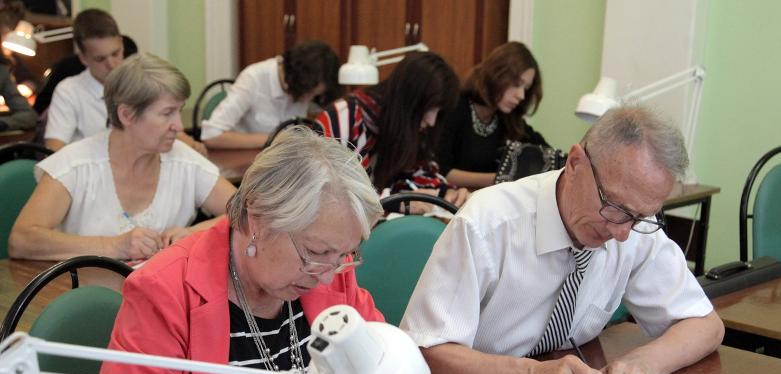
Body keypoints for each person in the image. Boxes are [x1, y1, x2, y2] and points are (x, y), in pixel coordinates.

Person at [39, 126, 385, 374]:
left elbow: (379, 362)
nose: (327, 275)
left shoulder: (330, 272)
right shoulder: (167, 291)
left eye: (344, 255)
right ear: (257, 219)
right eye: (315, 252)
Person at [401, 106, 724, 374]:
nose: (623, 232)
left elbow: (706, 325)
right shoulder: (489, 223)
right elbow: (429, 350)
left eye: (640, 217)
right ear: (575, 163)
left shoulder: (634, 225)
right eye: (614, 207)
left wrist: (644, 362)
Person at [9, 53, 236, 261]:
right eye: (167, 113)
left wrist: (193, 233)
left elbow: (244, 214)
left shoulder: (183, 160)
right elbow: (21, 240)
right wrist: (113, 246)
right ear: (126, 115)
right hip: (87, 289)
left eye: (179, 110)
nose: (178, 125)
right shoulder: (75, 165)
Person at [315, 51, 469, 208]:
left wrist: (446, 192)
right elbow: (333, 194)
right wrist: (397, 203)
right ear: (409, 101)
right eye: (429, 109)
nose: (432, 121)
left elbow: (414, 172)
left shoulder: (404, 124)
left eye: (438, 111)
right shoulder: (344, 118)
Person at [43, 8, 205, 154]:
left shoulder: (140, 82)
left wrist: (193, 146)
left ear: (121, 43)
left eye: (115, 53)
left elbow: (168, 128)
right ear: (83, 58)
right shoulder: (68, 91)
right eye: (100, 59)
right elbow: (54, 151)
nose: (111, 65)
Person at [436, 41, 551, 190]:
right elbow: (443, 172)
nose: (521, 95)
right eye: (517, 84)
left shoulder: (509, 119)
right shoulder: (456, 107)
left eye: (526, 88)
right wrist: (503, 178)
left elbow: (547, 153)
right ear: (496, 74)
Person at [202, 40, 341, 150]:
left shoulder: (309, 85)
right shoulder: (253, 79)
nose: (309, 100)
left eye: (315, 96)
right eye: (308, 94)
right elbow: (211, 135)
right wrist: (276, 138)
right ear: (295, 81)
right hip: (247, 162)